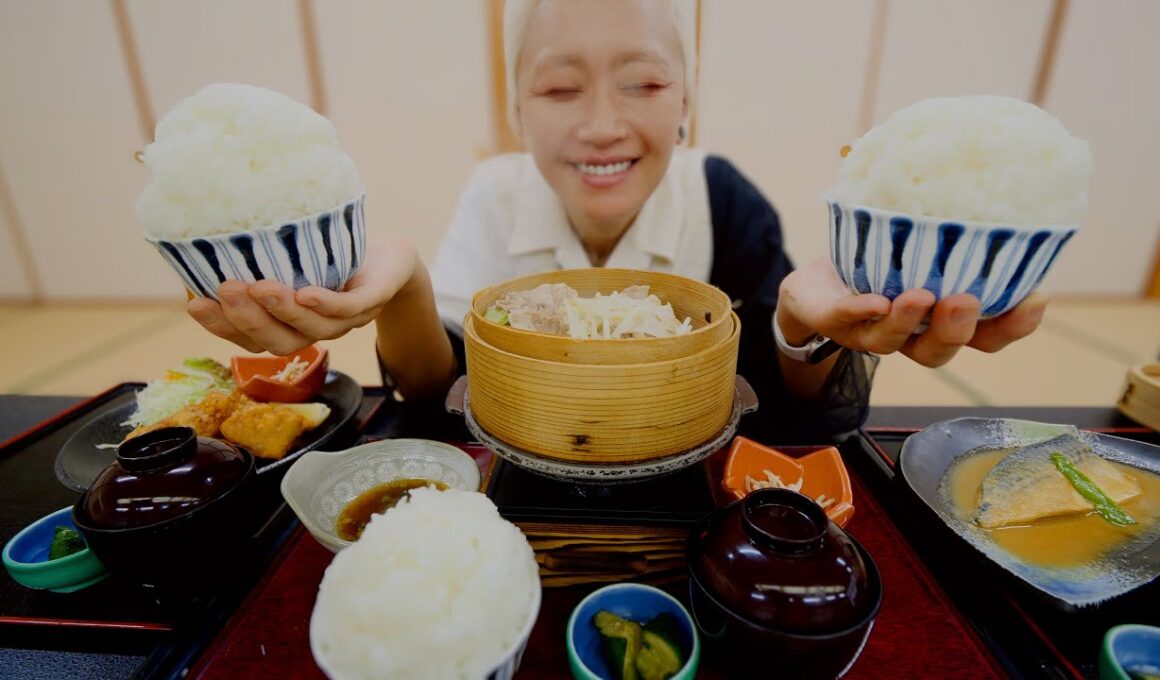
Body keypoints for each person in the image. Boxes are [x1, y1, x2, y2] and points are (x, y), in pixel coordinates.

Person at [185, 0, 1047, 441]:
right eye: (561, 89)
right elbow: (438, 396)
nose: (601, 124)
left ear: (688, 101)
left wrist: (794, 326)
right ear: (517, 107)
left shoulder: (725, 200)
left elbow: (785, 419)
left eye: (643, 83)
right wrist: (403, 280)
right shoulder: (495, 194)